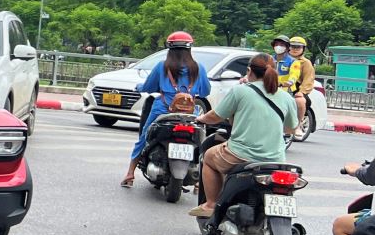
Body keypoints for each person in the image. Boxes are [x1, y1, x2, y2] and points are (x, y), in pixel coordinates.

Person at [188, 52, 297, 219]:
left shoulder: (240, 91)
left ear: (249, 71)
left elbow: (216, 116)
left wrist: (200, 118)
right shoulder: (286, 97)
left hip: (240, 156)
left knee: (208, 157)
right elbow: (290, 129)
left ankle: (210, 204)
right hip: (276, 160)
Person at [120, 31, 210, 188]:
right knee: (200, 141)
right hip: (190, 114)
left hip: (162, 110)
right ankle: (198, 183)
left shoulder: (162, 67)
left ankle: (130, 174)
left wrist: (139, 87)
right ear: (189, 48)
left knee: (145, 137)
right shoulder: (198, 68)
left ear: (169, 48)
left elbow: (148, 87)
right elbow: (205, 91)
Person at [288, 36, 316, 130]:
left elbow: (308, 79)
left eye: (298, 47)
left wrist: (301, 92)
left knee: (302, 101)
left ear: (303, 49)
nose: (295, 49)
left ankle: (297, 125)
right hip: (279, 86)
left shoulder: (306, 63)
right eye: (292, 46)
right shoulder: (281, 59)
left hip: (296, 89)